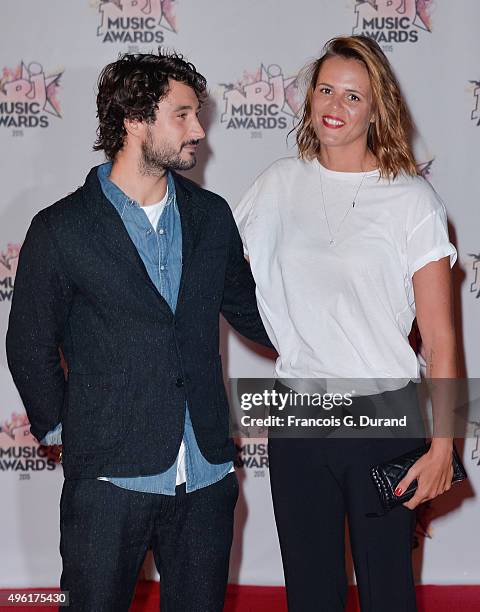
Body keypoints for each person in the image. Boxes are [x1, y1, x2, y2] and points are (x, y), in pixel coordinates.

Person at [6, 51, 272, 612]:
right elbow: (29, 342)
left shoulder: (212, 215)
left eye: (196, 114)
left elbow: (255, 314)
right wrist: (65, 434)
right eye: (182, 115)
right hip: (107, 482)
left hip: (205, 476)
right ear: (134, 119)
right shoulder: (62, 227)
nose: (199, 129)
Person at [234, 36, 457, 612]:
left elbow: (440, 338)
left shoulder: (412, 201)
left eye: (353, 96)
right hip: (300, 420)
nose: (335, 104)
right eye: (326, 89)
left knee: (388, 592)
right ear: (310, 97)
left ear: (376, 109)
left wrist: (443, 445)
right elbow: (228, 282)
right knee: (311, 594)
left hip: (385, 419)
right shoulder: (276, 184)